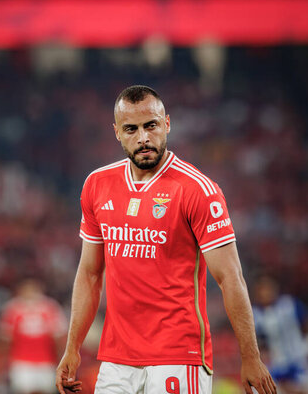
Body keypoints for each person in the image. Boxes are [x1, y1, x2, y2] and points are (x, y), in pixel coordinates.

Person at [55, 85, 277, 394]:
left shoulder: (198, 189)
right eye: (131, 129)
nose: (143, 137)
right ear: (117, 132)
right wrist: (73, 347)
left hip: (178, 356)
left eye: (151, 126)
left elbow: (230, 277)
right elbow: (90, 273)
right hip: (117, 360)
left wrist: (250, 357)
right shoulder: (97, 185)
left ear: (167, 124)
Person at [252, 275, 308, 394]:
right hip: (274, 363)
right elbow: (255, 339)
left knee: (305, 389)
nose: (265, 293)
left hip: (296, 358)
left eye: (267, 289)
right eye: (262, 290)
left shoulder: (288, 305)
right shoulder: (255, 314)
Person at [0, 279, 68, 394]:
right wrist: (2, 364)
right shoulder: (12, 309)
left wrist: (62, 362)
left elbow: (60, 338)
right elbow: (5, 340)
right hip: (21, 362)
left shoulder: (50, 308)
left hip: (47, 361)